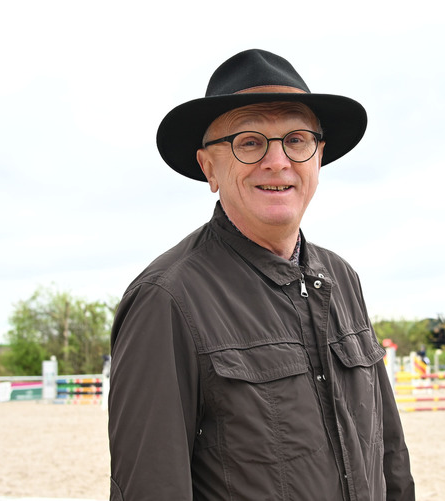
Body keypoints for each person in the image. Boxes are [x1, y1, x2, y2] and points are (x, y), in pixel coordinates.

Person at [108, 49, 415, 500]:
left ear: (318, 156)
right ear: (209, 168)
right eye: (249, 142)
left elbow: (389, 455)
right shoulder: (168, 299)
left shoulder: (342, 279)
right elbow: (150, 487)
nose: (277, 161)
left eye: (296, 139)